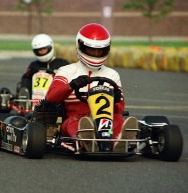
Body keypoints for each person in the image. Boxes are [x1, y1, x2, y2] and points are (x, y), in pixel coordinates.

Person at [44, 23, 138, 152]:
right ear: (80, 46)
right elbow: (51, 97)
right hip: (77, 117)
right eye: (92, 50)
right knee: (76, 124)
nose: (96, 53)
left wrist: (116, 100)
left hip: (106, 120)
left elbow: (119, 110)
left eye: (100, 50)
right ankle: (87, 139)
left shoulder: (112, 75)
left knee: (118, 120)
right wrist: (71, 86)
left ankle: (119, 140)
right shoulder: (66, 71)